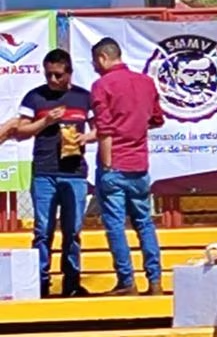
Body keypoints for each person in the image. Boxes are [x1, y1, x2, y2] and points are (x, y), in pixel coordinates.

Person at [89, 37, 165, 296]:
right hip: (140, 164)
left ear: (102, 58)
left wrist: (108, 164)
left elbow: (104, 129)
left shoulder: (102, 85)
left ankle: (126, 280)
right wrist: (135, 126)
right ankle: (155, 281)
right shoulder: (146, 82)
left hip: (116, 164)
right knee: (144, 222)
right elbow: (157, 119)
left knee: (115, 224)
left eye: (95, 61)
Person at [16, 49, 94, 297]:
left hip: (75, 173)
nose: (52, 80)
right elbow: (20, 131)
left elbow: (101, 128)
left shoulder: (83, 97)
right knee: (43, 230)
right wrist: (46, 121)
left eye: (58, 75)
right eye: (48, 74)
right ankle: (40, 282)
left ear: (69, 72)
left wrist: (86, 137)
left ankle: (71, 282)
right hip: (44, 172)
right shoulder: (35, 97)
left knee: (72, 231)